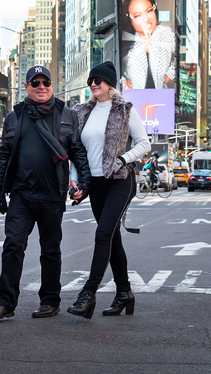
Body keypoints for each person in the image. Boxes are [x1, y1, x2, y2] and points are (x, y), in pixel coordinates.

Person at [0, 66, 91, 320]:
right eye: (35, 82)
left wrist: (84, 183)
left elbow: (77, 151)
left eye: (46, 82)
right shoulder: (14, 117)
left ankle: (50, 301)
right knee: (12, 246)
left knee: (51, 250)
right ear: (27, 87)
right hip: (21, 195)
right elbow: (4, 155)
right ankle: (5, 303)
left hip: (52, 194)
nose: (41, 86)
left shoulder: (67, 115)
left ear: (52, 85)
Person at [67, 61, 150, 319]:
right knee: (112, 238)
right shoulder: (81, 112)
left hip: (119, 181)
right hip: (94, 183)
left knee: (103, 233)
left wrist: (123, 160)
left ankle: (88, 294)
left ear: (110, 84)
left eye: (99, 80)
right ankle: (124, 292)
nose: (93, 83)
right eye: (91, 80)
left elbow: (144, 143)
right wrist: (75, 179)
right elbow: (76, 151)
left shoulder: (124, 110)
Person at [121, 0, 176, 90]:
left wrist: (169, 76)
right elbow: (114, 71)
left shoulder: (165, 33)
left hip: (162, 99)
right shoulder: (125, 40)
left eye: (149, 11)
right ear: (130, 20)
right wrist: (123, 83)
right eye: (137, 15)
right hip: (134, 99)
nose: (146, 19)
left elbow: (182, 59)